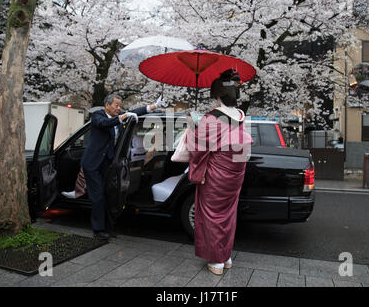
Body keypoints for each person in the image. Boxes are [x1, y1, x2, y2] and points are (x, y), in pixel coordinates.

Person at [187, 69, 253, 275]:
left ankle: (216, 262)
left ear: (218, 95)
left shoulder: (211, 118)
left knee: (212, 214)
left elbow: (197, 147)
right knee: (227, 214)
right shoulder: (241, 116)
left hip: (216, 174)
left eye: (214, 97)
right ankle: (226, 256)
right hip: (235, 173)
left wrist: (192, 124)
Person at [81, 94, 166, 240]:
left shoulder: (118, 115)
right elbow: (103, 124)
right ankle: (98, 230)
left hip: (108, 163)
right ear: (107, 105)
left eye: (120, 106)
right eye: (116, 105)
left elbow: (136, 112)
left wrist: (154, 106)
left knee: (109, 195)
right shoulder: (97, 115)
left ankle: (108, 227)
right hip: (92, 164)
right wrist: (124, 116)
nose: (119, 108)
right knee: (98, 197)